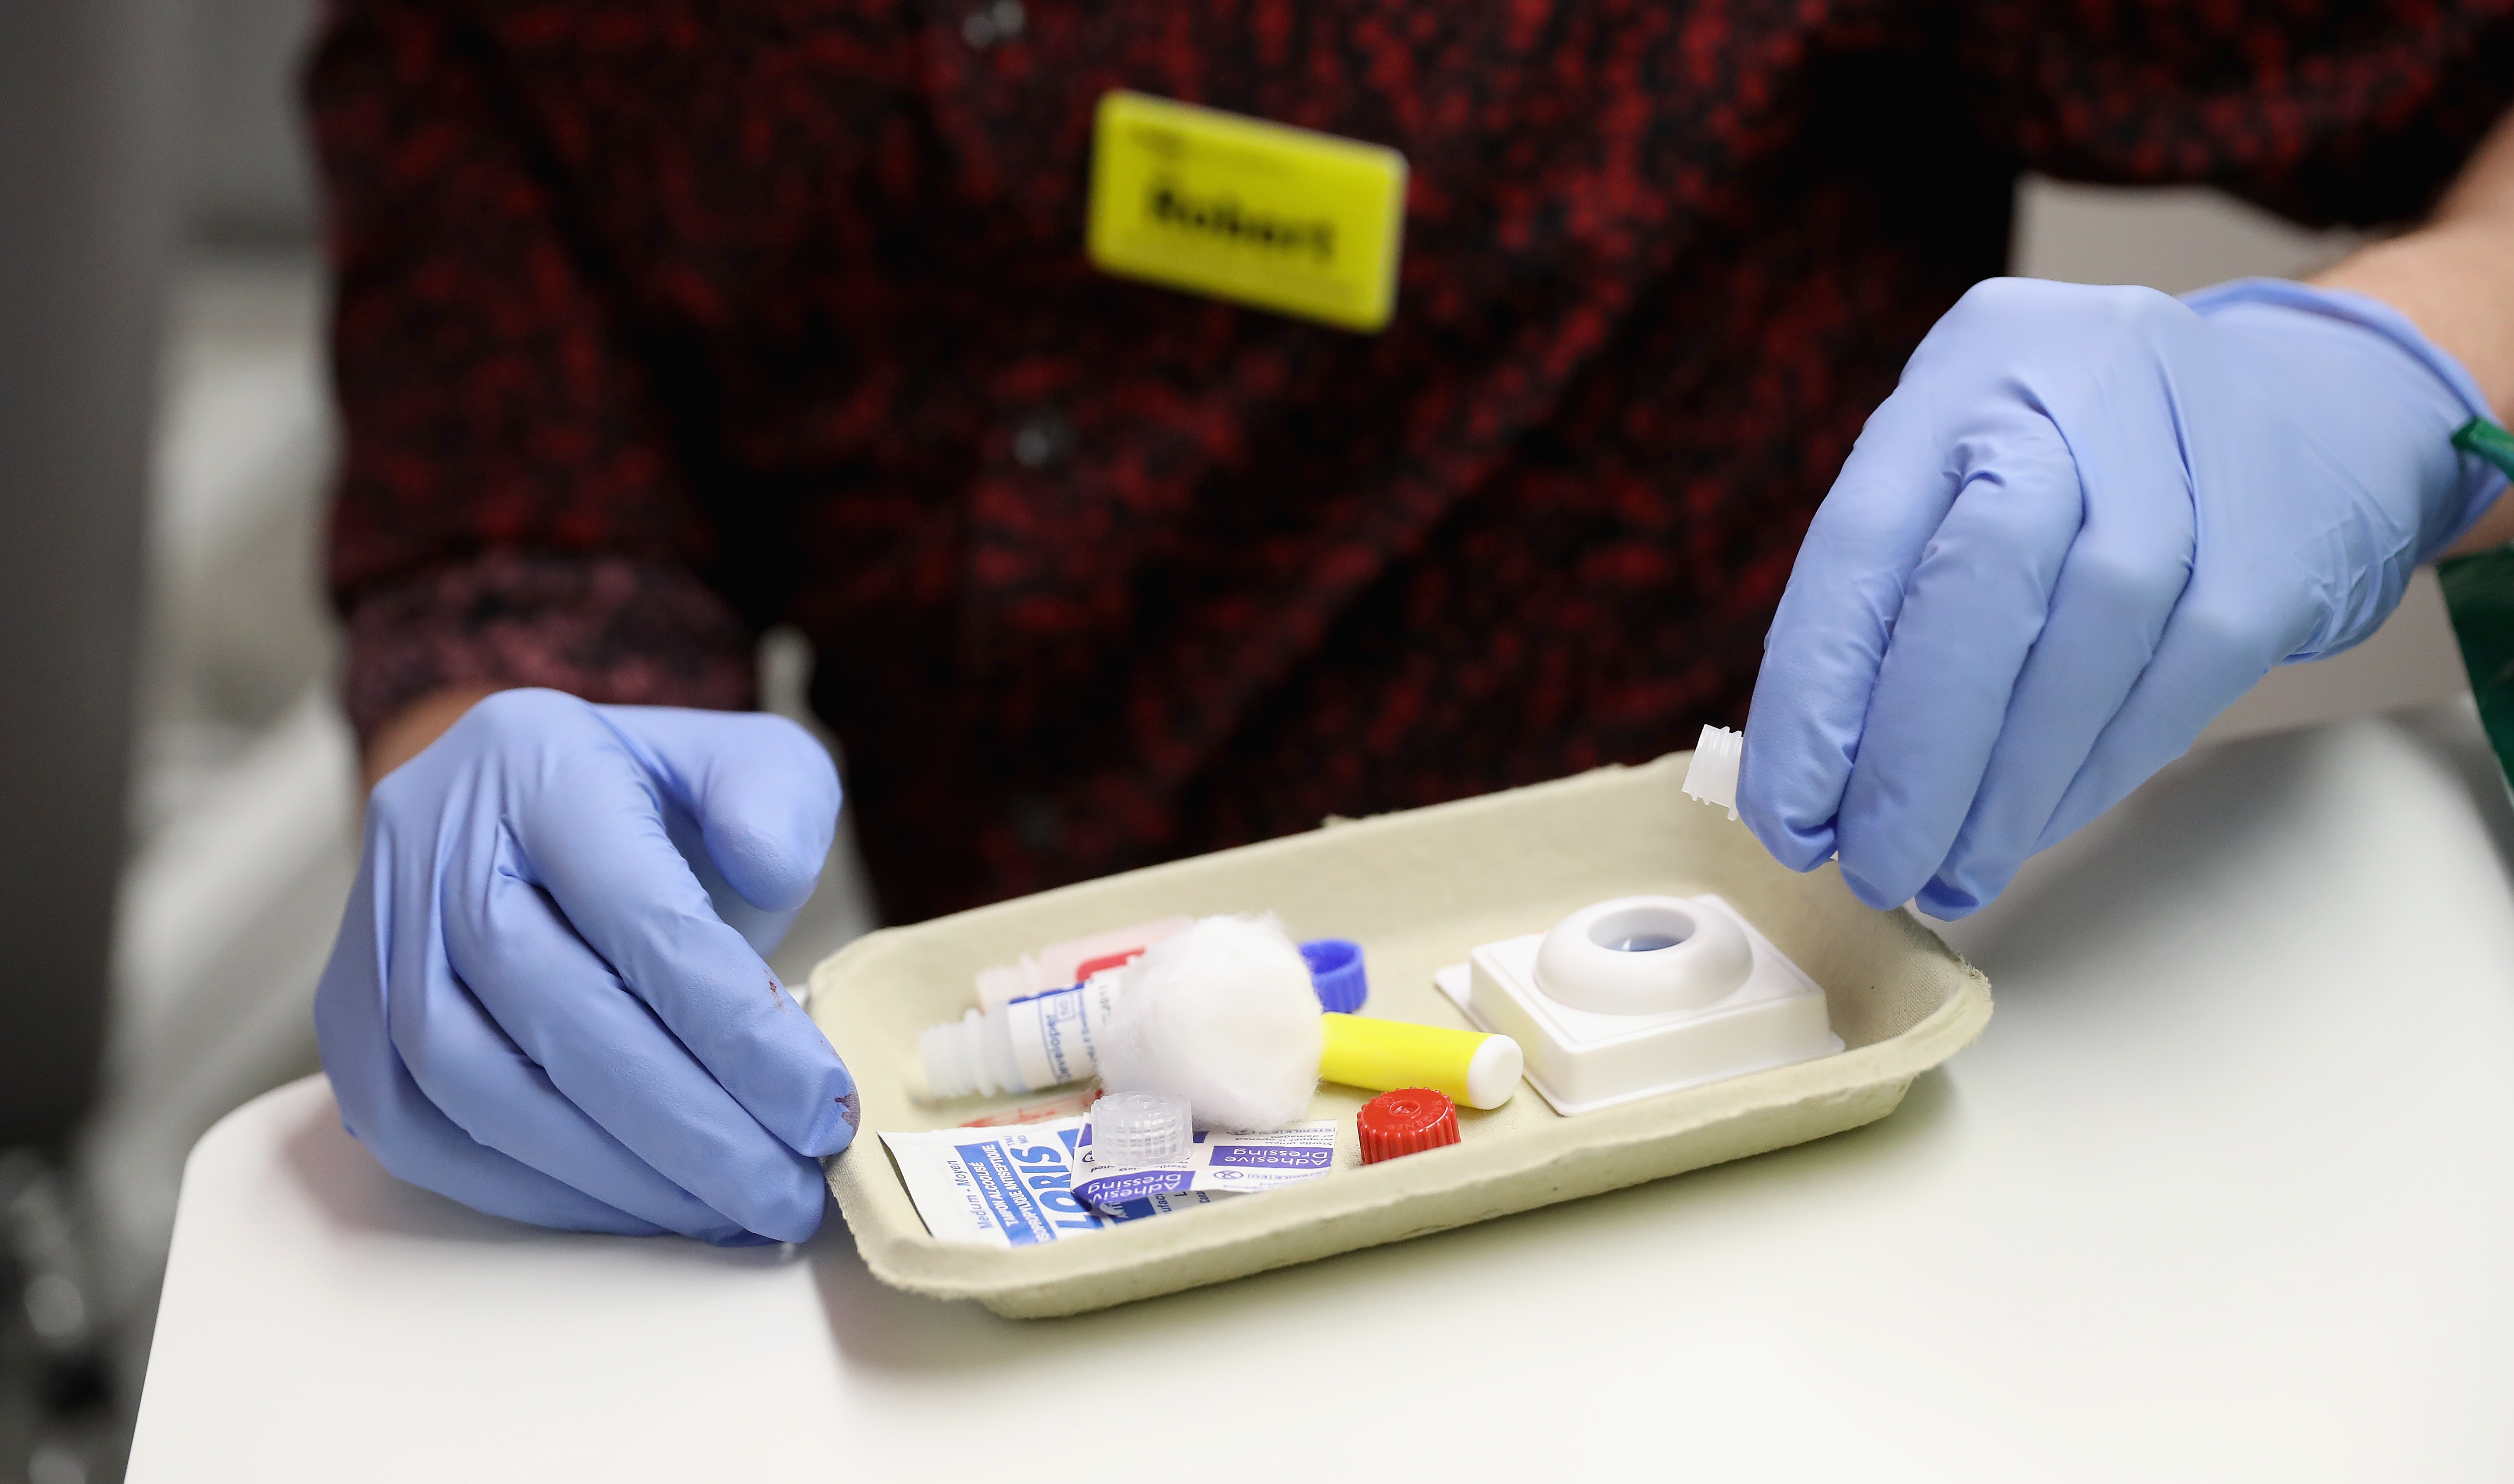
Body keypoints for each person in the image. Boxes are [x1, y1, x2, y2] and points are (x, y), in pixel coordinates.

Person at [308, 0, 2514, 1245]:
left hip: (1794, 1135)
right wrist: (517, 812)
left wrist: (2379, 372)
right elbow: (514, 545)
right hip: (1067, 1201)